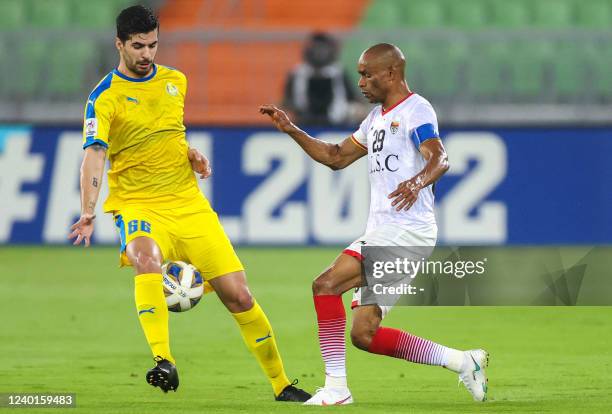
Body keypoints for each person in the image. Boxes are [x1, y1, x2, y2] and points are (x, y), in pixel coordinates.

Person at [68, 5, 310, 402]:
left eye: (153, 45)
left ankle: (282, 384)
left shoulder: (175, 81)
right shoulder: (103, 97)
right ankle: (164, 360)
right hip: (138, 204)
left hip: (187, 203)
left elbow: (166, 134)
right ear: (119, 44)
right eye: (139, 46)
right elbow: (94, 155)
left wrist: (190, 153)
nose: (147, 54)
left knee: (240, 296)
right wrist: (89, 210)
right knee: (145, 257)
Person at [260, 43, 488, 405]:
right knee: (364, 334)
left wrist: (415, 183)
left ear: (392, 73)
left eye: (367, 74)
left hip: (405, 230)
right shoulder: (376, 119)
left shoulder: (416, 110)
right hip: (389, 231)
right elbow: (336, 157)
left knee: (325, 285)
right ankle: (464, 361)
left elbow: (440, 157)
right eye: (359, 74)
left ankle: (336, 388)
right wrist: (291, 129)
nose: (361, 82)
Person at [282, 32, 361, 125]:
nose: (319, 52)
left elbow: (353, 99)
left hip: (336, 123)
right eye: (316, 47)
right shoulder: (298, 73)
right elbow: (287, 100)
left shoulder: (338, 72)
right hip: (303, 123)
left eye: (322, 48)